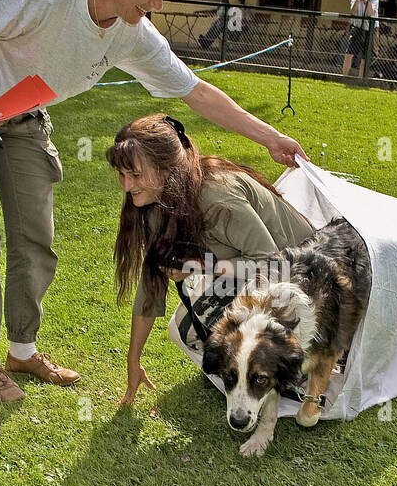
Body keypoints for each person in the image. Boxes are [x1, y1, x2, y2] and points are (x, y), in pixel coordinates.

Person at [0, 0, 305, 403]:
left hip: (23, 109)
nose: (158, 3)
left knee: (34, 232)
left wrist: (268, 137)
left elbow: (195, 92)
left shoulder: (132, 29)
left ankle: (22, 348)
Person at [108, 114, 315, 405]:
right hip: (257, 278)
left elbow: (273, 264)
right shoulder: (157, 201)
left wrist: (206, 266)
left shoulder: (217, 197)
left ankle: (293, 366)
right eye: (122, 174)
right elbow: (150, 283)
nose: (127, 186)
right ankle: (250, 371)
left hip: (303, 281)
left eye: (136, 175)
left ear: (166, 169)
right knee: (185, 330)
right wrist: (133, 359)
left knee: (210, 325)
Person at [342, 0, 379, 77]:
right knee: (349, 53)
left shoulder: (374, 0)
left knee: (365, 56)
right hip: (357, 28)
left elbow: (371, 13)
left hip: (370, 30)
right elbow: (352, 12)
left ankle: (361, 78)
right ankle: (344, 76)